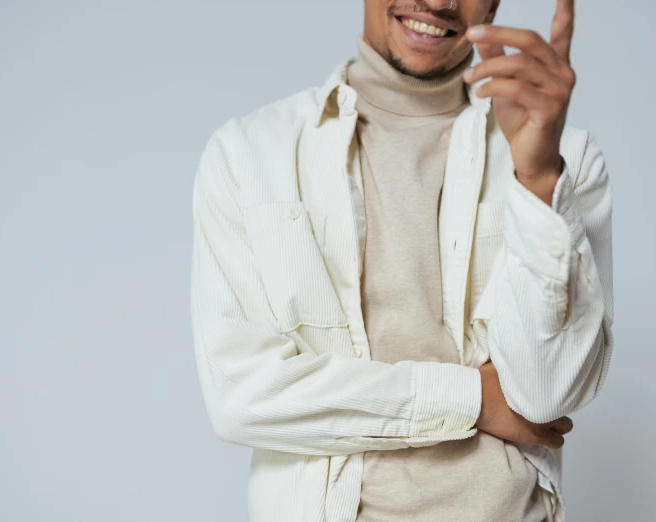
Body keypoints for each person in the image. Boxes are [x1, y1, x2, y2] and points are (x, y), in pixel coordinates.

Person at [189, 0, 614, 520]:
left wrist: (538, 180)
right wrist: (471, 399)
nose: (437, 2)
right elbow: (242, 397)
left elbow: (545, 394)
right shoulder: (249, 154)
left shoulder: (565, 159)